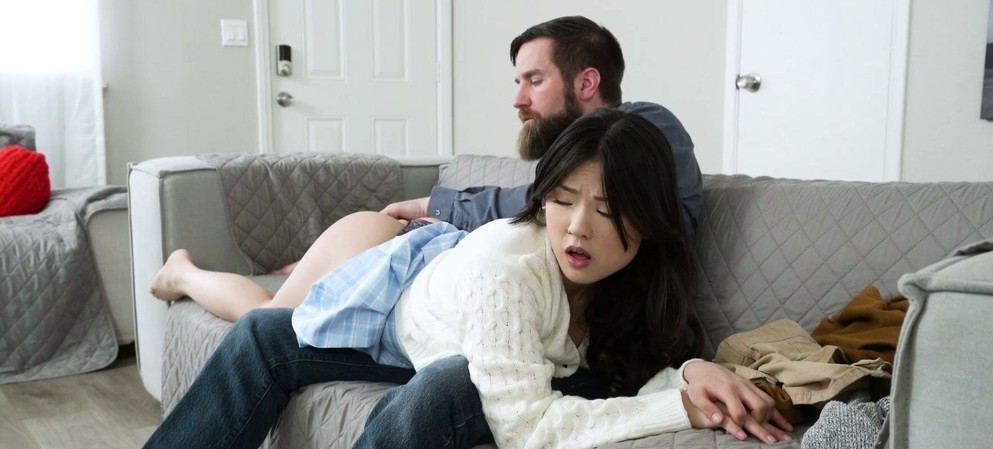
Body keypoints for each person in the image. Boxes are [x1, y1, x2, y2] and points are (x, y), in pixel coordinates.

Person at [3, 110, 790, 449]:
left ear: (648, 221)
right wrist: (677, 404)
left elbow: (637, 367)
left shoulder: (645, 279)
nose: (578, 227)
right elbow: (530, 429)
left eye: (609, 209)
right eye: (563, 199)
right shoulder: (509, 265)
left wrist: (688, 370)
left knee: (441, 386)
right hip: (409, 320)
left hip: (493, 357)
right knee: (265, 334)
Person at [147, 15, 704, 322]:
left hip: (423, 247)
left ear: (587, 82)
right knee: (270, 319)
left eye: (533, 80)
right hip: (412, 244)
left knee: (288, 303)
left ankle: (312, 264)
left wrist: (432, 205)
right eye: (517, 82)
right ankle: (183, 273)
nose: (517, 99)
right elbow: (524, 210)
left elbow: (657, 223)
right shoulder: (565, 167)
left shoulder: (646, 128)